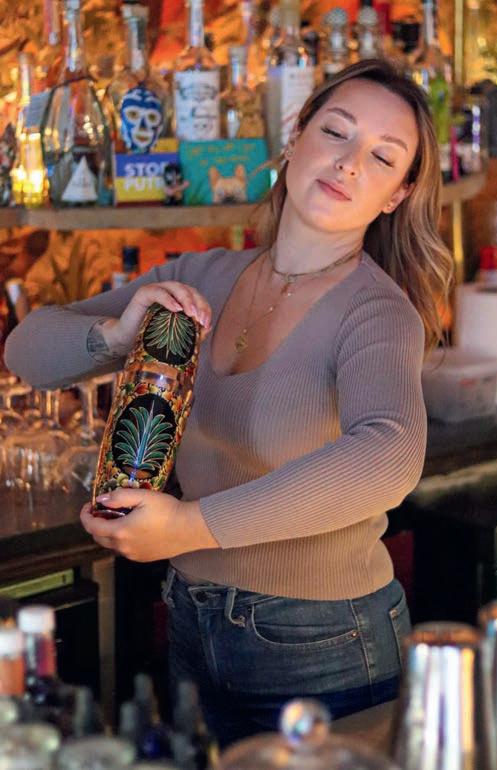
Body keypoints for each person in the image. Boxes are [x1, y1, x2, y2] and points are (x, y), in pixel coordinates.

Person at [5, 59, 453, 747]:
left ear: (397, 194)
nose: (349, 163)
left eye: (383, 157)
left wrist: (190, 526)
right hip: (192, 619)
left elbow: (389, 454)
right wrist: (115, 335)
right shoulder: (199, 277)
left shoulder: (377, 312)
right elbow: (25, 351)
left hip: (324, 641)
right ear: (295, 137)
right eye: (336, 132)